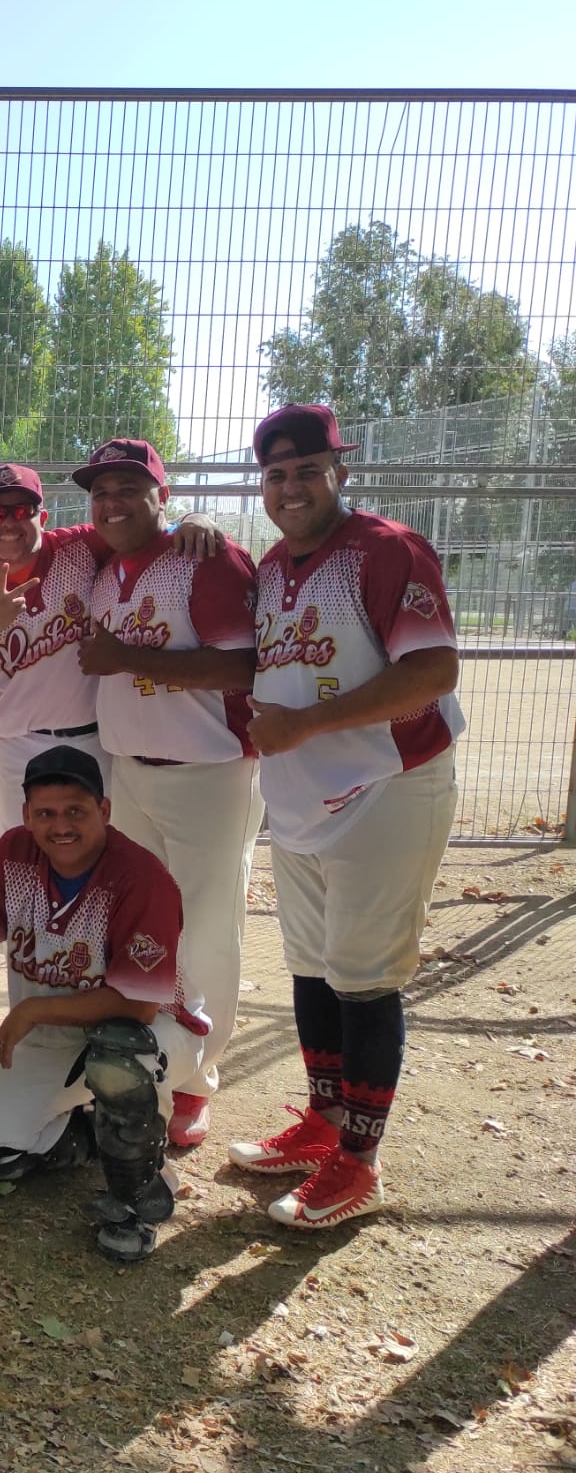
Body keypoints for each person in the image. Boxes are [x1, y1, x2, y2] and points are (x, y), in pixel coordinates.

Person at [226, 403, 464, 1230]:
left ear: (340, 471)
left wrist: (305, 726)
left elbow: (433, 670)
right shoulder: (270, 565)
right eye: (276, 475)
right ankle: (324, 1118)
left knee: (364, 981)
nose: (291, 488)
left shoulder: (384, 548)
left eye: (307, 471)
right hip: (302, 797)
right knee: (311, 968)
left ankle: (358, 1161)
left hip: (387, 786)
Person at [0, 747, 209, 1263]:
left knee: (118, 1063)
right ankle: (95, 1130)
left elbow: (137, 1006)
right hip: (56, 1036)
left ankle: (138, 1197)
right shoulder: (16, 849)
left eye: (75, 811)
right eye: (45, 813)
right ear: (26, 816)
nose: (60, 826)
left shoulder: (141, 877)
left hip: (155, 1033)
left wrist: (32, 1012)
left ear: (104, 810)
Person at [78, 441, 262, 1148]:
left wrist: (127, 657)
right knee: (142, 926)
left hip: (207, 771)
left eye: (129, 487)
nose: (113, 502)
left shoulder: (203, 560)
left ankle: (195, 1082)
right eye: (100, 493)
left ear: (162, 493)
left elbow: (242, 666)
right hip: (130, 769)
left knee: (209, 932)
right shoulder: (107, 566)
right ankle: (150, 1061)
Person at [0, 447, 224, 837]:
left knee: (103, 853)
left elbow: (143, 529)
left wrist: (193, 518)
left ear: (43, 517)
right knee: (25, 853)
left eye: (22, 511)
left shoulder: (81, 548)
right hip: (21, 747)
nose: (8, 523)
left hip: (99, 740)